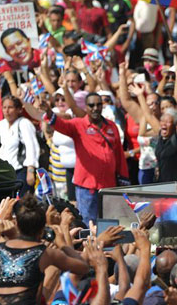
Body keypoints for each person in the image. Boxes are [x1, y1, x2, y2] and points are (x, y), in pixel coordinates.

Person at [43, 92, 128, 224]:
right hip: (87, 187)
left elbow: (119, 155)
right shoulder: (78, 124)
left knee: (109, 223)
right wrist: (48, 112)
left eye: (98, 105)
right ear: (86, 107)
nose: (95, 108)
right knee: (88, 224)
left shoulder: (112, 126)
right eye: (91, 105)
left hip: (109, 185)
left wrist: (123, 178)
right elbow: (60, 124)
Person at [0, 96, 40, 196]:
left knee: (22, 206)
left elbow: (32, 146)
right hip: (5, 174)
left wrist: (30, 170)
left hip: (21, 173)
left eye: (10, 107)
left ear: (19, 109)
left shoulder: (24, 123)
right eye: (4, 107)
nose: (7, 111)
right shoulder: (1, 125)